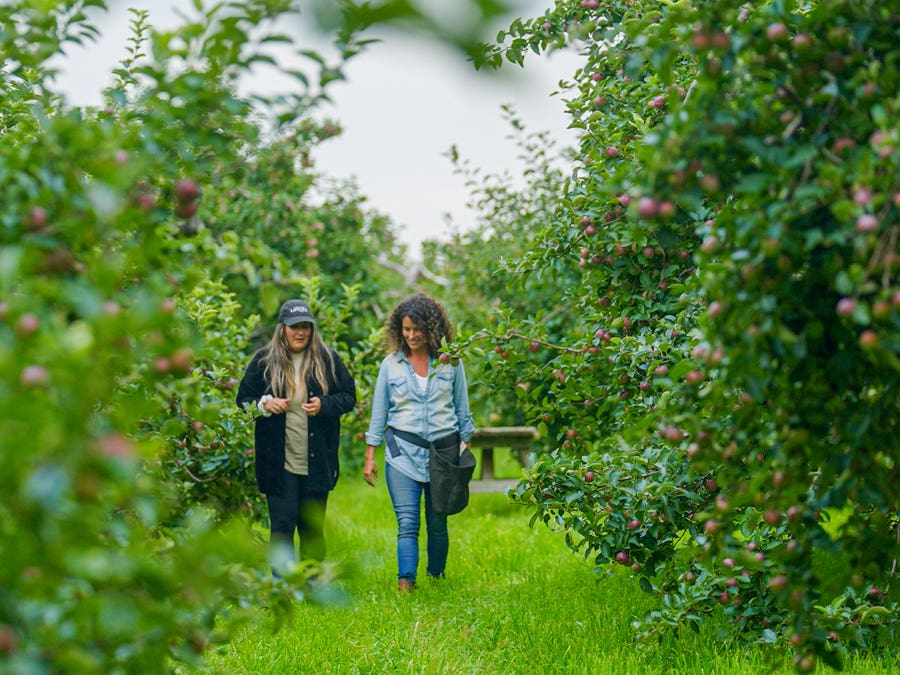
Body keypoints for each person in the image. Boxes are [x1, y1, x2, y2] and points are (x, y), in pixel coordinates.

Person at [363, 293, 475, 592]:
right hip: (402, 454)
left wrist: (464, 450)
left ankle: (436, 578)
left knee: (438, 522)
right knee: (408, 523)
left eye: (417, 329)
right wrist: (370, 455)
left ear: (431, 328)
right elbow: (379, 413)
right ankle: (406, 583)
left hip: (444, 452)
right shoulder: (391, 365)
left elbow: (463, 411)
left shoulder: (450, 362)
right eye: (406, 329)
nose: (411, 335)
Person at [237, 299, 356, 573]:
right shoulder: (263, 361)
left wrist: (324, 405)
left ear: (312, 329)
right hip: (277, 462)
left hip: (317, 461)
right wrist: (264, 405)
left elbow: (349, 397)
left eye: (305, 326)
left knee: (312, 528)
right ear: (282, 329)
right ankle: (281, 585)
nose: (300, 332)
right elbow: (243, 399)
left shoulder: (327, 360)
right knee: (281, 527)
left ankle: (312, 583)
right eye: (294, 327)